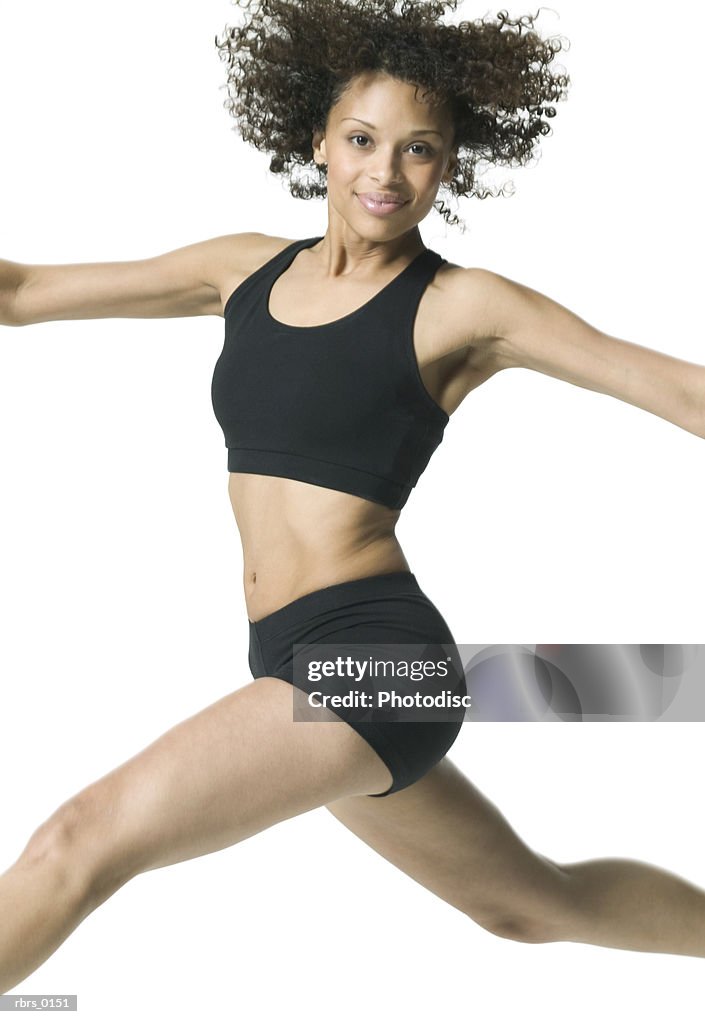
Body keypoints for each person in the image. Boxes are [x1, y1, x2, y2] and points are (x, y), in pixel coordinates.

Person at [1, 0, 704, 997]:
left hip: (376, 658)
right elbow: (21, 292)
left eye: (420, 150)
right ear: (318, 141)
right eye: (364, 140)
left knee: (79, 841)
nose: (386, 172)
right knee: (531, 903)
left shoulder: (462, 305)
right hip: (292, 658)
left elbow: (678, 388)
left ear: (450, 165)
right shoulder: (239, 269)